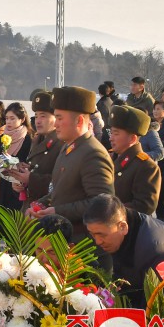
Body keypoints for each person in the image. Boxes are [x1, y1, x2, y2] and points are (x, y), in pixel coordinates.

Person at [29, 86, 115, 241]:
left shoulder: (92, 153)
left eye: (60, 118)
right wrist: (41, 204)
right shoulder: (69, 147)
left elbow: (102, 203)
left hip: (83, 244)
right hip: (64, 238)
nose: (56, 124)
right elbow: (62, 189)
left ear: (80, 120)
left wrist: (57, 210)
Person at [7, 92, 63, 212]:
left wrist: (31, 179)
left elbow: (62, 183)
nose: (38, 121)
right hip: (30, 208)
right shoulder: (37, 140)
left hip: (46, 211)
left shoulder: (61, 143)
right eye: (36, 116)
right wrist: (19, 182)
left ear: (56, 118)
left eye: (43, 116)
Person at [107, 105, 160, 215]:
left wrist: (109, 210)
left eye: (116, 133)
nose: (111, 138)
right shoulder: (110, 158)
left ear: (132, 138)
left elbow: (145, 206)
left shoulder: (146, 166)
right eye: (111, 132)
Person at [0, 102, 33, 210]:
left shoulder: (28, 139)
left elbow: (27, 162)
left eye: (12, 118)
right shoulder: (2, 137)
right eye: (7, 118)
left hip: (18, 186)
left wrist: (14, 163)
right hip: (4, 183)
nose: (8, 122)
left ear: (22, 119)